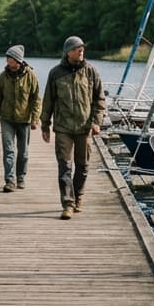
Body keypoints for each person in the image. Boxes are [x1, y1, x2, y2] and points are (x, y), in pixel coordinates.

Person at [40, 35, 105, 220]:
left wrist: (96, 122)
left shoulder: (91, 72)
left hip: (85, 128)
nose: (81, 51)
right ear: (68, 52)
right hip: (63, 128)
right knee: (65, 167)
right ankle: (67, 204)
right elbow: (48, 101)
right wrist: (45, 124)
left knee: (83, 166)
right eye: (78, 48)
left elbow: (100, 100)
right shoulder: (56, 73)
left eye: (82, 48)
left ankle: (79, 197)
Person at [0, 44, 40, 193]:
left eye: (9, 57)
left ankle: (21, 177)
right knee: (8, 150)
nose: (7, 60)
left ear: (17, 60)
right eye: (7, 57)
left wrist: (35, 119)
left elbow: (36, 99)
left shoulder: (30, 75)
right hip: (6, 119)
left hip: (24, 120)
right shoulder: (2, 76)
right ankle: (10, 180)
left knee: (23, 152)